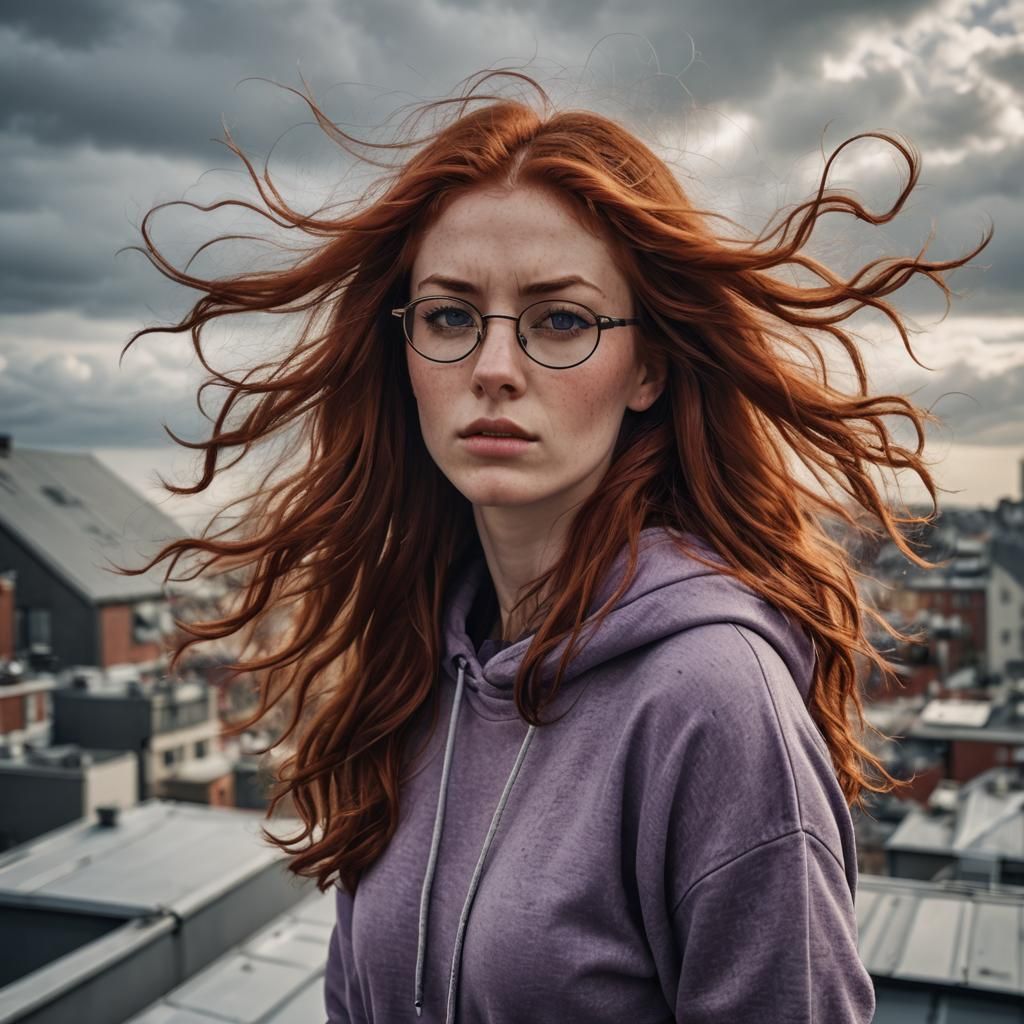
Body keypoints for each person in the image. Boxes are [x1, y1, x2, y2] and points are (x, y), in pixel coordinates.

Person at [119, 68, 990, 1023]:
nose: (495, 368)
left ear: (648, 365)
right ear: (403, 350)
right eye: (450, 316)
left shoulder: (714, 702)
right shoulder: (419, 660)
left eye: (561, 320)